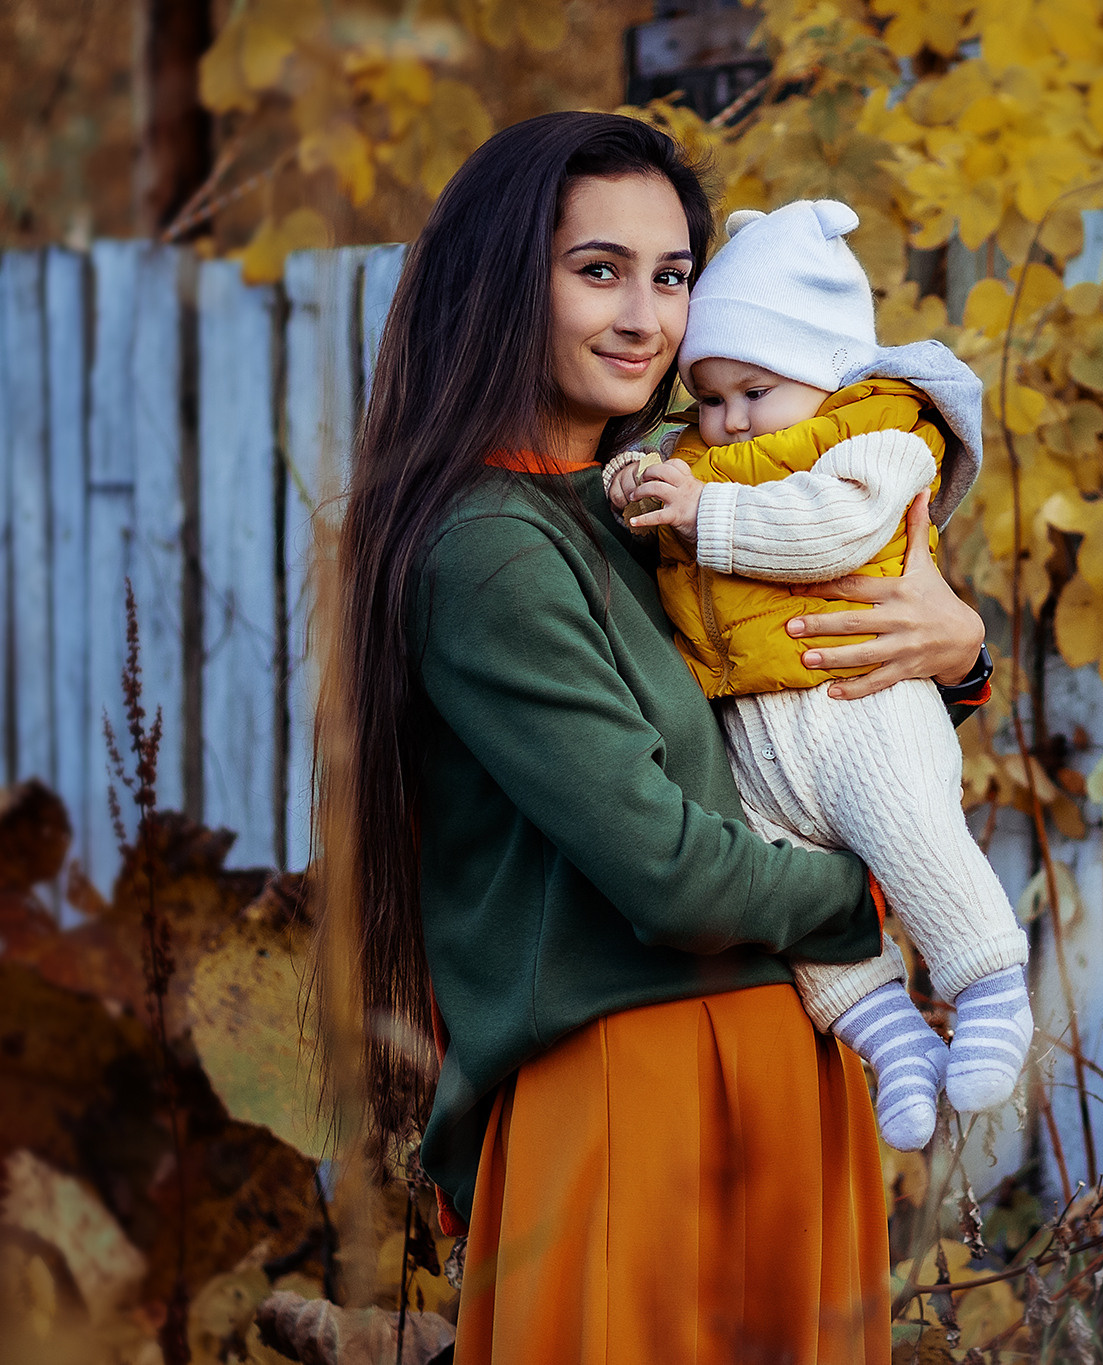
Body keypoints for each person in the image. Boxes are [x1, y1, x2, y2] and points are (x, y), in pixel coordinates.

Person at [321, 111, 990, 1363]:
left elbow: (791, 709)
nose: (644, 316)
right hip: (636, 1090)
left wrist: (957, 653)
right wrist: (888, 889)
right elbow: (670, 873)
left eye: (671, 276)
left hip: (784, 1068)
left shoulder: (663, 511)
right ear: (501, 281)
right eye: (598, 270)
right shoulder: (490, 547)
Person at [605, 199, 1032, 1152]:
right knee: (793, 900)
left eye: (753, 390)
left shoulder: (871, 436)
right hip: (756, 739)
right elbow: (646, 496)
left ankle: (991, 986)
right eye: (708, 397)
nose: (726, 419)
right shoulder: (700, 458)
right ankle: (892, 1041)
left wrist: (703, 513)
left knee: (911, 833)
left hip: (861, 712)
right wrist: (636, 485)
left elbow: (827, 527)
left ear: (823, 369)